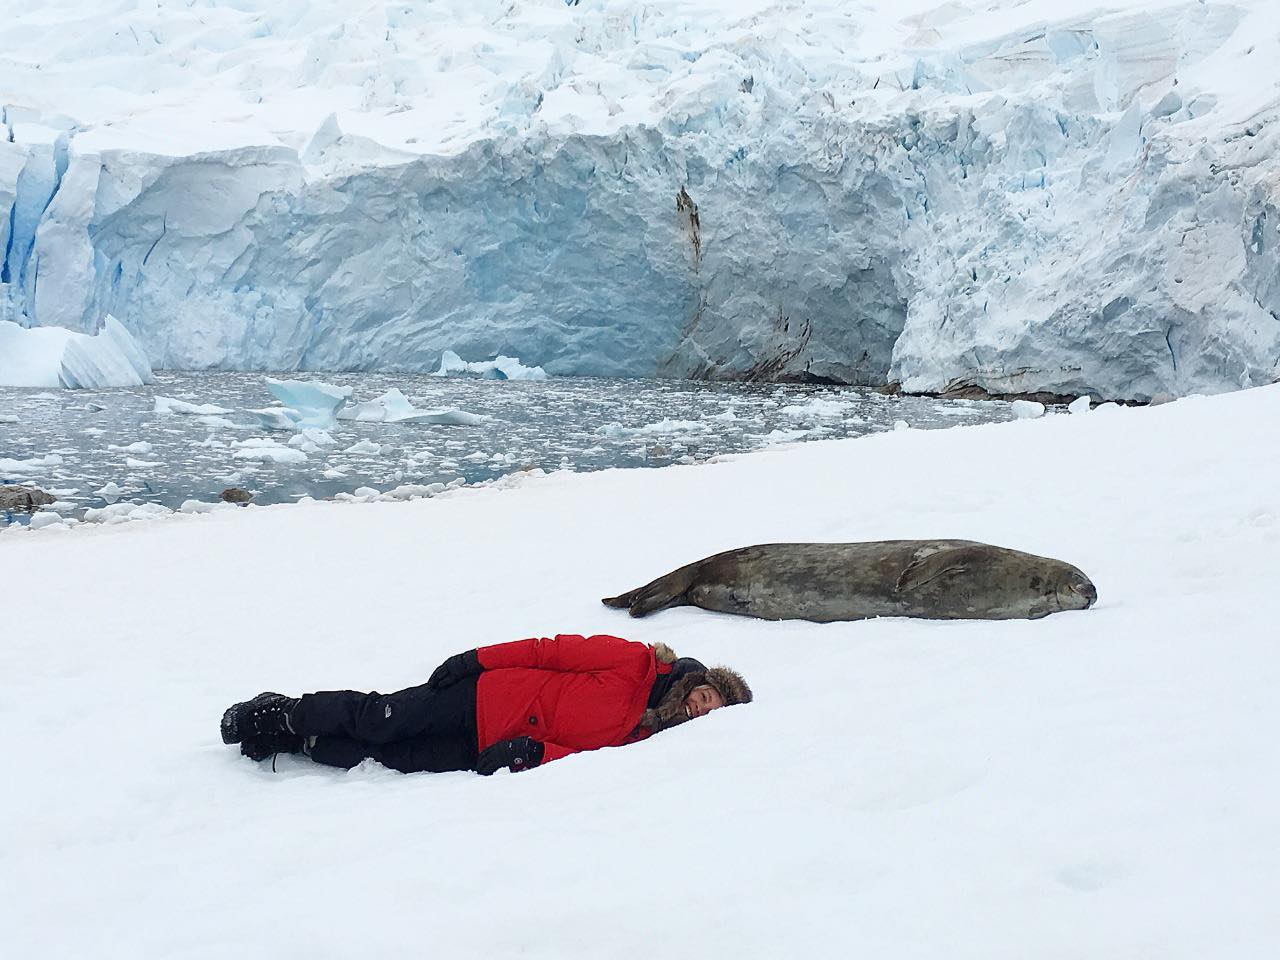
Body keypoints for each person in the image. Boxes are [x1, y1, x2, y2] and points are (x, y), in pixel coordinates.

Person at [220, 634, 752, 775]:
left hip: (491, 741)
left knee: (392, 759)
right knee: (380, 721)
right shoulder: (634, 662)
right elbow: (549, 651)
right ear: (698, 681)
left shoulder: (644, 738)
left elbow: (584, 762)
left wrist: (532, 753)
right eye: (706, 697)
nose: (700, 709)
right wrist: (476, 660)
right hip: (485, 695)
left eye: (710, 713)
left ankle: (302, 743)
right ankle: (279, 711)